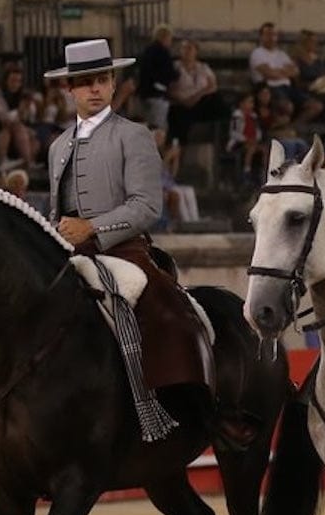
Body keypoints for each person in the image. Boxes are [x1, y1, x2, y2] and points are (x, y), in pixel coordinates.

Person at [41, 38, 212, 435]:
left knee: (167, 310)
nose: (94, 89)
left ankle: (196, 408)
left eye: (101, 80)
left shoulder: (133, 135)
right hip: (68, 251)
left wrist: (93, 227)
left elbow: (147, 206)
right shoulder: (57, 146)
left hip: (125, 250)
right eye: (85, 82)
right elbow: (57, 210)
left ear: (114, 83)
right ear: (69, 89)